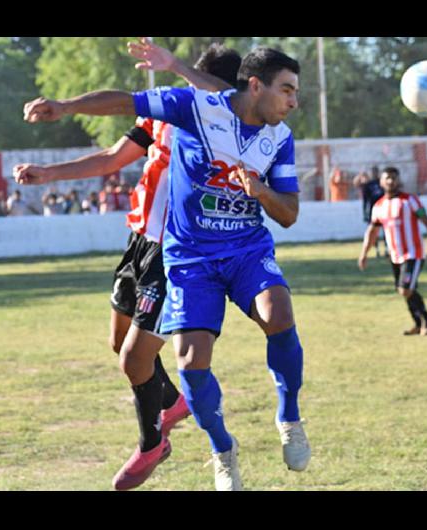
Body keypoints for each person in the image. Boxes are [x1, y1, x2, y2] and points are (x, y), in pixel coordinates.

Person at [22, 44, 313, 491]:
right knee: (147, 352)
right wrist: (58, 138)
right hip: (163, 249)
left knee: (150, 356)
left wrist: (260, 192)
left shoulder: (254, 124)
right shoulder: (179, 112)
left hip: (209, 249)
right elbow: (119, 131)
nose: (294, 101)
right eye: (287, 90)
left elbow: (286, 207)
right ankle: (201, 427)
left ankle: (174, 437)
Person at [358, 167, 427, 336]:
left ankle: (426, 319)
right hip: (395, 255)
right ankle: (417, 323)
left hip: (414, 254)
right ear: (381, 182)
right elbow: (372, 232)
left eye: (394, 178)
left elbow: (426, 220)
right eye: (387, 178)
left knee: (405, 289)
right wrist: (364, 253)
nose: (391, 181)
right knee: (405, 290)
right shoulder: (379, 206)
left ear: (398, 181)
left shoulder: (410, 201)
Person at [353, 169, 385, 258]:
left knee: (387, 231)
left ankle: (387, 249)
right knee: (374, 232)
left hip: (384, 209)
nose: (375, 174)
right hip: (373, 211)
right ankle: (377, 250)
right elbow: (365, 199)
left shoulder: (382, 183)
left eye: (376, 172)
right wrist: (365, 213)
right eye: (373, 173)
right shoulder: (368, 185)